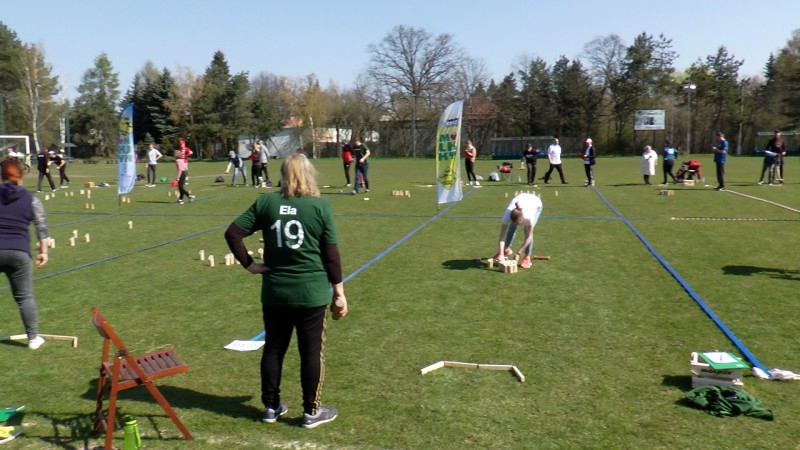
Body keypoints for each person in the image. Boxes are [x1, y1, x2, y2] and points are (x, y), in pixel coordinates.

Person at [224, 153, 348, 429]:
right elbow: (331, 256)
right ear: (308, 174)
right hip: (310, 293)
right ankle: (311, 412)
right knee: (311, 352)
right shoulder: (320, 207)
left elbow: (232, 233)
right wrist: (339, 292)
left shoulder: (266, 202)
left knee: (274, 349)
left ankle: (270, 407)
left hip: (276, 292)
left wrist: (250, 266)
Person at [0, 159, 49, 350]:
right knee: (25, 297)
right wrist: (43, 252)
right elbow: (42, 228)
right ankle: (33, 338)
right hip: (19, 253)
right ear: (21, 176)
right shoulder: (32, 199)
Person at [491, 192, 543, 270]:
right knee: (512, 228)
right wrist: (501, 252)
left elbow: (528, 237)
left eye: (518, 223)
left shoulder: (529, 217)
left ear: (522, 219)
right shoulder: (507, 216)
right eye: (513, 222)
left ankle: (527, 257)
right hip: (522, 199)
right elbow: (502, 236)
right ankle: (506, 250)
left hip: (536, 203)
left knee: (527, 231)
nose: (516, 224)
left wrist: (518, 253)